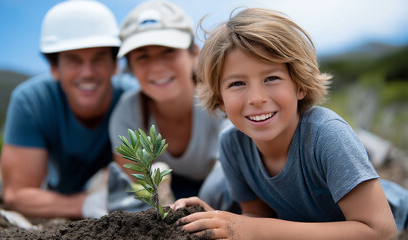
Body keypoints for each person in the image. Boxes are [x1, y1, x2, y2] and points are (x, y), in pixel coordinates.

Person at [171, 8, 407, 239]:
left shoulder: (327, 135)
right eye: (237, 84)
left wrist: (248, 229)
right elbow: (256, 217)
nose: (256, 98)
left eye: (271, 78)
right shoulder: (232, 144)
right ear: (220, 98)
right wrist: (220, 219)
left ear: (300, 85)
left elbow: (382, 231)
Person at [0, 0, 130, 219]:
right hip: (62, 192)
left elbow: (137, 184)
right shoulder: (31, 102)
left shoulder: (133, 100)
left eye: (98, 59)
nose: (87, 73)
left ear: (115, 65)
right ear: (54, 68)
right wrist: (85, 204)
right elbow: (16, 194)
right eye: (74, 61)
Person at [107, 0, 237, 213]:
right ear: (129, 66)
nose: (157, 66)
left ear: (194, 53)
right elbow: (133, 189)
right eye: (142, 56)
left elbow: (234, 180)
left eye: (168, 51)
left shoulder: (222, 101)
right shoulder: (128, 112)